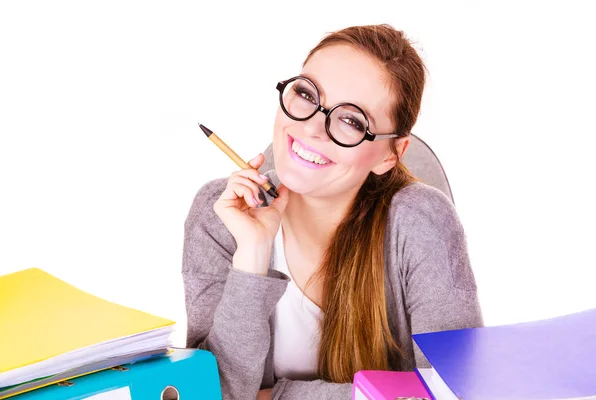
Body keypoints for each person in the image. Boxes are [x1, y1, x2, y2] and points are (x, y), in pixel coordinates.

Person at [182, 24, 483, 400]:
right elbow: (211, 395)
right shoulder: (222, 214)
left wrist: (272, 396)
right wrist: (252, 257)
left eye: (352, 121)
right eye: (307, 94)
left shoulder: (422, 220)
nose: (311, 128)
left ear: (392, 153)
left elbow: (453, 392)